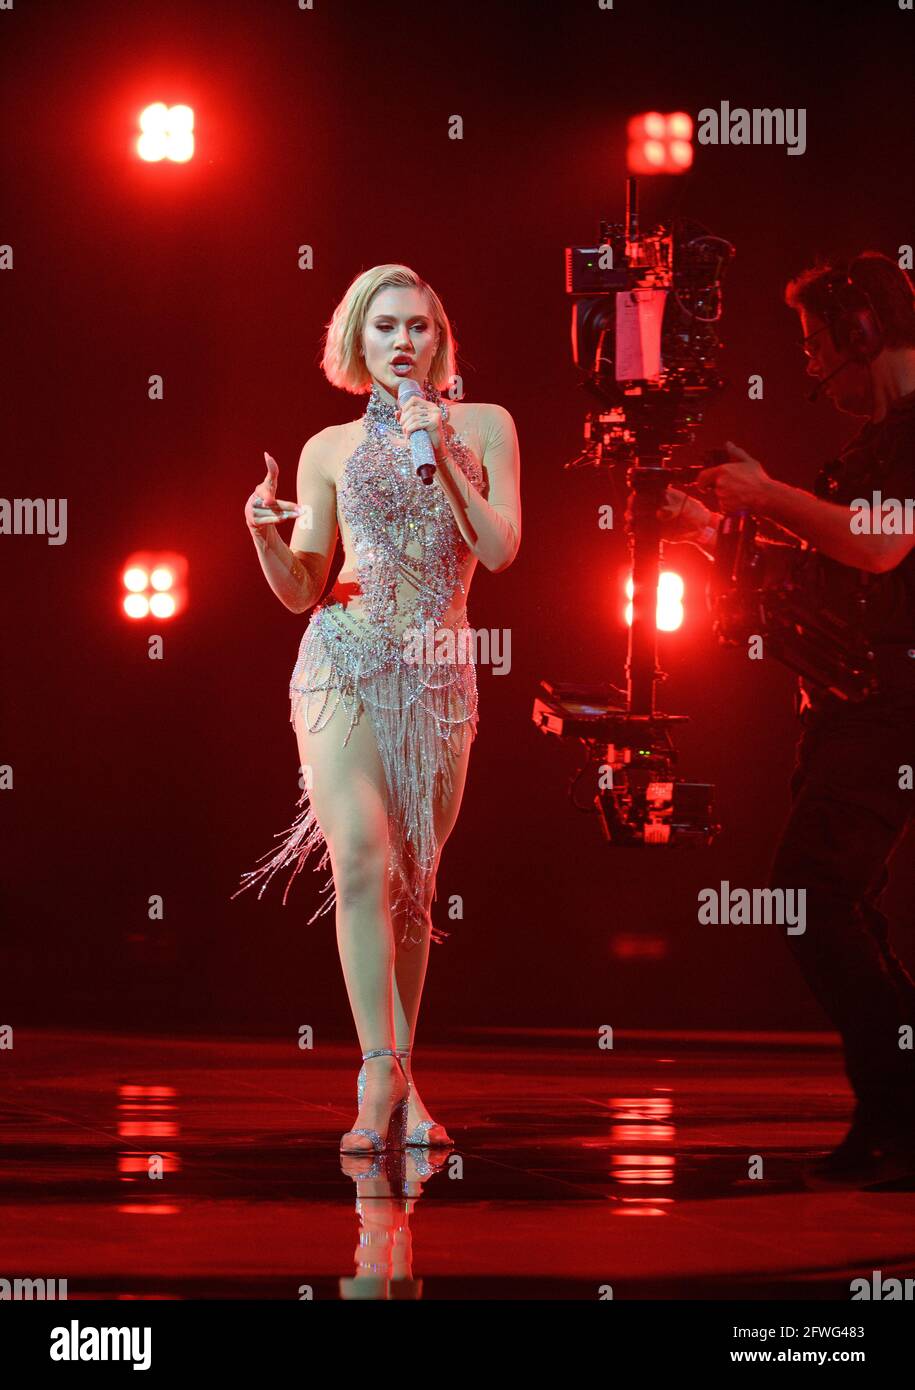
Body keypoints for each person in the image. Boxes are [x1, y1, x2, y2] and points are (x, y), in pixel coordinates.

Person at [233, 264, 521, 1157]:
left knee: (413, 885)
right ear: (356, 342)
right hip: (343, 660)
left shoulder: (483, 426)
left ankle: (401, 1076)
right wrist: (261, 534)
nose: (404, 342)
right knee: (362, 858)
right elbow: (298, 591)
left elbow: (501, 550)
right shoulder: (324, 448)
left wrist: (446, 453)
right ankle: (374, 1073)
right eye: (385, 327)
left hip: (438, 672)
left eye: (420, 327)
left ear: (442, 339)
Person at [659, 251, 915, 1184]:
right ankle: (897, 1116)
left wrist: (766, 497)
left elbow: (880, 545)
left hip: (892, 711)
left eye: (815, 349)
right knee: (836, 899)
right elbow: (836, 541)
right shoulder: (875, 443)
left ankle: (902, 1112)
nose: (809, 373)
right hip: (853, 705)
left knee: (810, 891)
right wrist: (714, 519)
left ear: (859, 334)